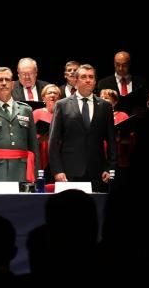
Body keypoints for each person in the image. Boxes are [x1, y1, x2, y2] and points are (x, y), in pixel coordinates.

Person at [48, 63, 117, 192]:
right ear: (76, 81)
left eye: (91, 77)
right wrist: (57, 170)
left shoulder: (105, 106)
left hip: (98, 172)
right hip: (69, 171)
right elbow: (53, 141)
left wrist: (110, 168)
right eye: (84, 77)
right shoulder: (62, 105)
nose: (88, 80)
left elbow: (111, 141)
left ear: (95, 81)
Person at [33, 84, 63, 174]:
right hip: (42, 154)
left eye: (55, 93)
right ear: (43, 97)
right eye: (49, 93)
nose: (53, 95)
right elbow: (30, 138)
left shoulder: (64, 114)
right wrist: (42, 138)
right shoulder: (36, 113)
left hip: (60, 155)